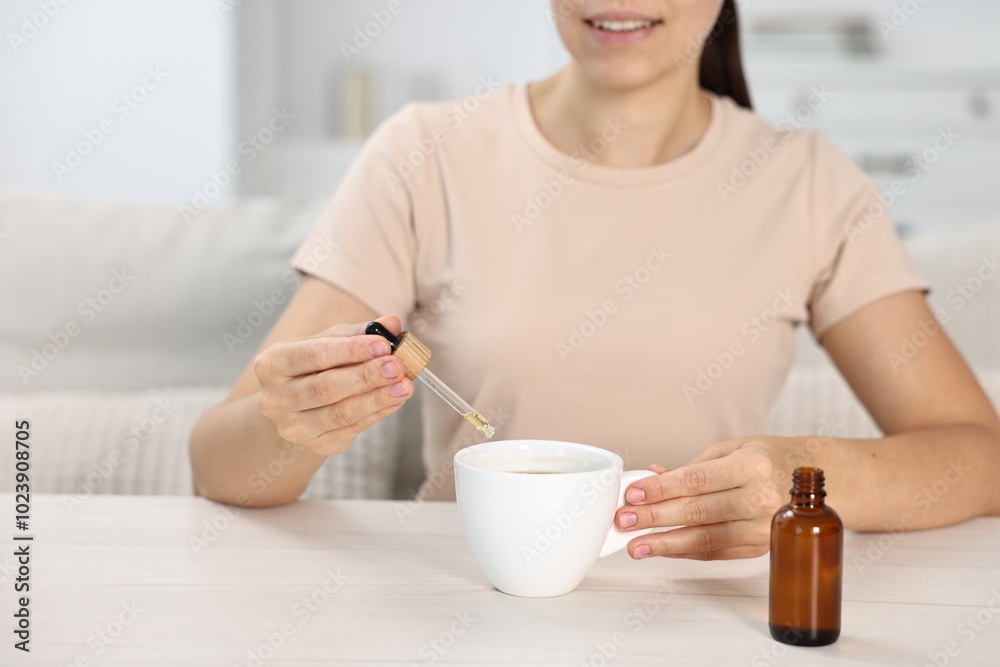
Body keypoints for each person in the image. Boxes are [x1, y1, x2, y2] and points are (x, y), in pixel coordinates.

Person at [190, 0, 1000, 561]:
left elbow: (980, 458)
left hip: (712, 617)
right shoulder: (423, 155)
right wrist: (292, 421)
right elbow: (217, 465)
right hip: (467, 612)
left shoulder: (811, 183)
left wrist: (810, 480)